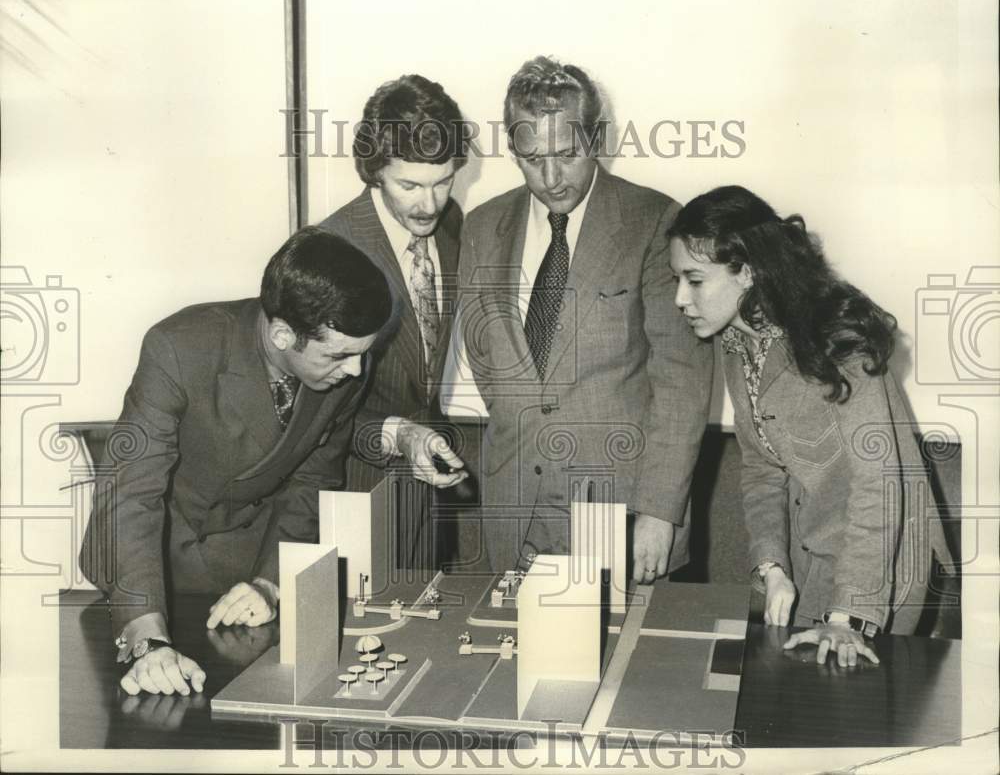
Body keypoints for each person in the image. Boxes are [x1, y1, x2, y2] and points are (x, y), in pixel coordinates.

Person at [81, 228, 425, 696]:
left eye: (362, 354)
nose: (356, 372)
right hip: (150, 566)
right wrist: (146, 636)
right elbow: (132, 492)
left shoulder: (344, 363)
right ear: (282, 334)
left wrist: (268, 583)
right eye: (340, 355)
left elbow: (312, 484)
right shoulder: (178, 347)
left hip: (245, 572)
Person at [668, 185, 953, 666]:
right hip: (811, 560)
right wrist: (772, 565)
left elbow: (880, 485)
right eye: (677, 279)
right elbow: (761, 469)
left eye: (694, 280)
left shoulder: (838, 340)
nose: (680, 297)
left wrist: (846, 618)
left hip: (881, 569)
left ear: (748, 273)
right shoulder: (738, 345)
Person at [458, 56, 713, 582]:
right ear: (512, 150)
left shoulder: (655, 220)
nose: (551, 178)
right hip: (517, 510)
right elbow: (489, 362)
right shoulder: (482, 227)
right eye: (531, 159)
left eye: (567, 154)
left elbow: (682, 381)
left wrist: (661, 512)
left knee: (625, 662)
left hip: (621, 511)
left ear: (595, 138)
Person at [317, 74, 469, 567]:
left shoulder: (452, 226)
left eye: (443, 181)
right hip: (355, 490)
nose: (429, 205)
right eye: (409, 185)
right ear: (374, 171)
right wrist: (398, 434)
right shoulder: (329, 250)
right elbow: (311, 415)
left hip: (431, 497)